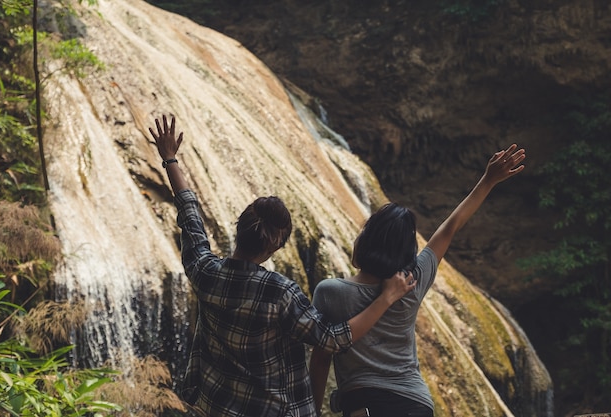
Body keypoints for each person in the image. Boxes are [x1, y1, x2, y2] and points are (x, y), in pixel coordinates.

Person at [148, 114, 417, 417]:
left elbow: (190, 215)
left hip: (217, 407)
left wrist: (170, 158)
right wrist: (386, 298)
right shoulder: (281, 293)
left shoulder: (205, 271)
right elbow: (332, 339)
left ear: (239, 228)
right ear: (275, 245)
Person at [309, 144, 526, 417]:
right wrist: (488, 180)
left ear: (366, 241)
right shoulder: (412, 280)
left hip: (366, 404)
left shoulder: (331, 292)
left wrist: (313, 411)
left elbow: (320, 360)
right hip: (417, 403)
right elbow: (450, 227)